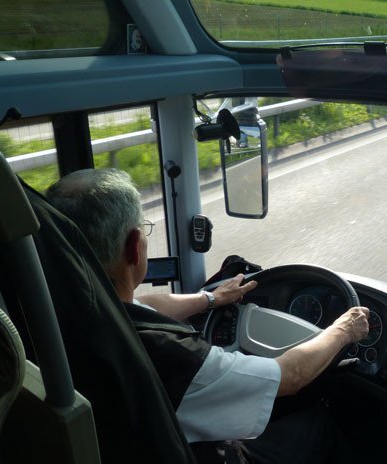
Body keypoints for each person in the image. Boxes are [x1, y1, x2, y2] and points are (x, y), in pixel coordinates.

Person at [46, 168, 370, 463]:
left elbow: (149, 305)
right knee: (316, 425)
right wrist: (344, 328)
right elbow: (291, 377)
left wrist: (211, 298)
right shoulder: (171, 354)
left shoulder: (62, 309)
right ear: (135, 246)